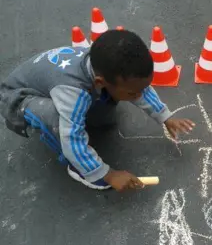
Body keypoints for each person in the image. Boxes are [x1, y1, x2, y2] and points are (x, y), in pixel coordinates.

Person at [0, 30, 195, 192]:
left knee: (105, 111)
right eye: (133, 92)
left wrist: (164, 117)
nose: (138, 95)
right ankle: (78, 168)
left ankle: (87, 121)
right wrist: (108, 174)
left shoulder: (105, 66)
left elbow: (139, 89)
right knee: (60, 120)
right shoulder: (73, 91)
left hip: (57, 87)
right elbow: (72, 137)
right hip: (19, 96)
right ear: (100, 82)